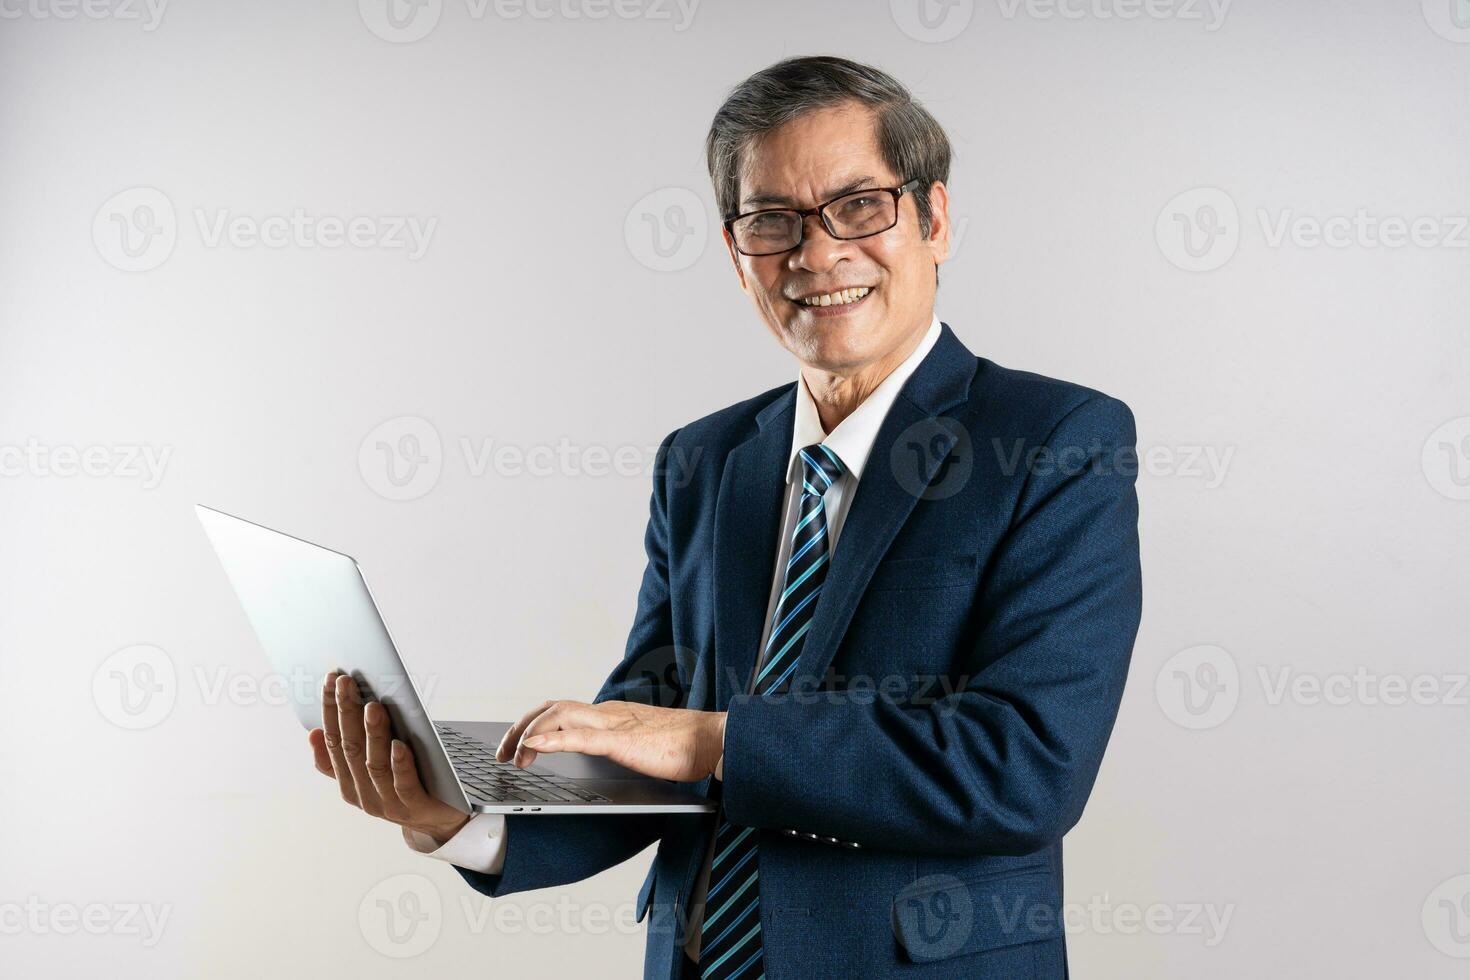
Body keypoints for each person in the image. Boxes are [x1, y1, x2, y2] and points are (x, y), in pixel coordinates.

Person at [308, 54, 1142, 979]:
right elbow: (647, 739)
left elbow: (1024, 766)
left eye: (860, 206)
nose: (818, 254)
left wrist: (713, 740)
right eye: (772, 221)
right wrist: (460, 817)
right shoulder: (703, 462)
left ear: (934, 219)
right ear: (734, 252)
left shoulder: (1057, 440)